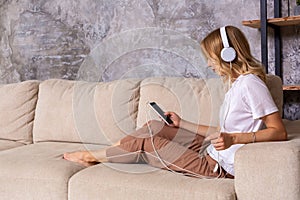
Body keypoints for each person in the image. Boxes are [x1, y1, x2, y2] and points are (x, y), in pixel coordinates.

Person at [63, 26, 287, 178]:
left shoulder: (251, 84)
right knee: (154, 127)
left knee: (147, 143)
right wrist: (182, 123)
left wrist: (234, 138)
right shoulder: (237, 84)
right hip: (211, 150)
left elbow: (279, 131)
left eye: (210, 58)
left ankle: (91, 157)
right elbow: (222, 131)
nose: (209, 65)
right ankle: (109, 153)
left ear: (228, 55)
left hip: (219, 167)